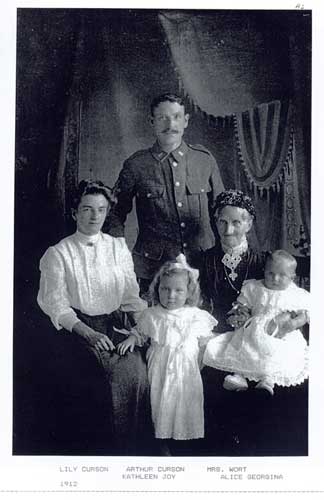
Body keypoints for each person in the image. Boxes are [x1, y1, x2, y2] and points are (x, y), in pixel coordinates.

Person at [37, 179, 151, 455]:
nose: (94, 216)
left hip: (116, 326)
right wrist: (87, 333)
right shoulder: (58, 253)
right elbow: (57, 305)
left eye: (100, 210)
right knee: (97, 379)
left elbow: (130, 297)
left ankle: (132, 449)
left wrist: (143, 327)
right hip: (77, 329)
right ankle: (100, 452)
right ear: (74, 212)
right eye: (87, 209)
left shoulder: (117, 248)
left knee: (136, 371)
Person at [105, 92, 224, 294]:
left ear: (186, 121)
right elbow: (114, 213)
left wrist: (223, 254)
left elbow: (223, 210)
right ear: (152, 121)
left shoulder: (204, 160)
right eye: (162, 118)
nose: (170, 124)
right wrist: (119, 253)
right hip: (153, 270)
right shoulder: (136, 165)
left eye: (177, 117)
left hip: (202, 265)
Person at [117, 254, 217, 449]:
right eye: (165, 289)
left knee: (186, 402)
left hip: (187, 368)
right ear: (157, 289)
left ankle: (186, 439)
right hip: (160, 367)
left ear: (189, 292)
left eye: (178, 290)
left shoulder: (196, 315)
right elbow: (141, 332)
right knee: (161, 401)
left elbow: (207, 340)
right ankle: (162, 441)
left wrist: (204, 357)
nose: (171, 295)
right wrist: (131, 338)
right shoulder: (152, 314)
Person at [203, 250, 309, 396]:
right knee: (243, 346)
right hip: (254, 328)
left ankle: (268, 378)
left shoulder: (295, 293)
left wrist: (294, 323)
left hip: (280, 332)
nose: (275, 278)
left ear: (292, 277)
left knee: (277, 352)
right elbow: (243, 305)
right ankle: (240, 376)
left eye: (282, 275)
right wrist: (240, 313)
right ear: (264, 270)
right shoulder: (254, 287)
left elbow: (304, 314)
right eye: (270, 273)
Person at [199, 189, 265, 332]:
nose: (228, 230)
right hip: (215, 332)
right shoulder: (205, 260)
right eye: (223, 222)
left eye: (236, 223)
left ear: (248, 224)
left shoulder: (263, 262)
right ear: (216, 223)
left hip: (253, 334)